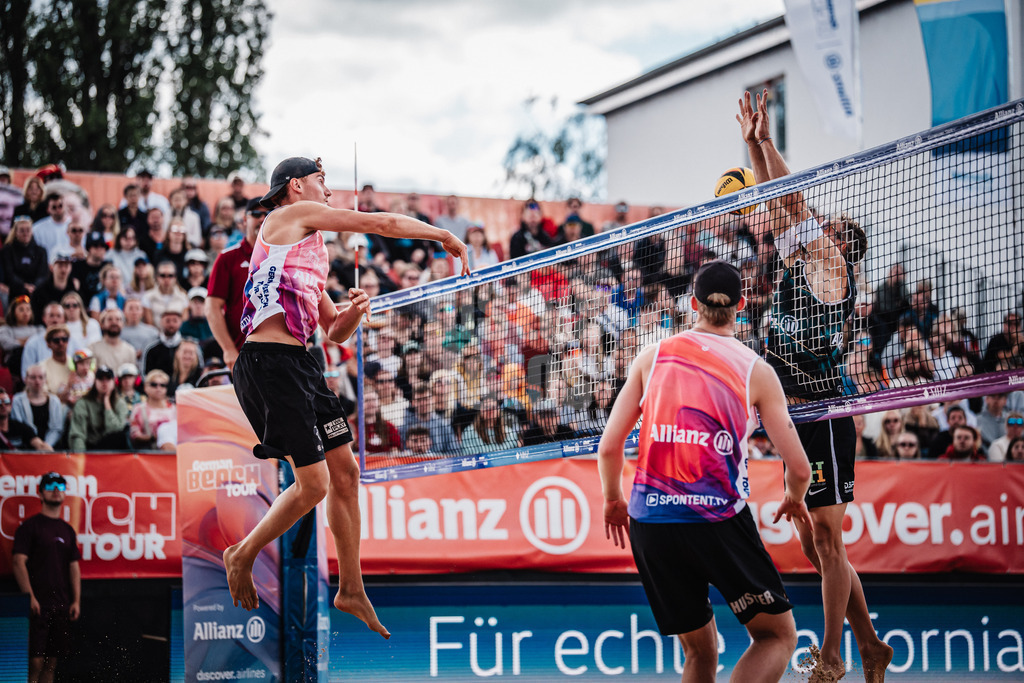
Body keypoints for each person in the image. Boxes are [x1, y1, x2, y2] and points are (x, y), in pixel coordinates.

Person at [223, 156, 468, 639]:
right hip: (267, 365)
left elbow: (334, 331)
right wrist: (441, 236)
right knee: (311, 485)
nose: (329, 191)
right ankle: (242, 553)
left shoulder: (310, 248)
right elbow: (377, 221)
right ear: (295, 187)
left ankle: (351, 588)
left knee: (347, 473)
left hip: (302, 364)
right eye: (321, 181)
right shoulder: (285, 216)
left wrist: (358, 310)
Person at [598, 260, 813, 683]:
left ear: (692, 303)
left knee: (700, 652)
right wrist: (795, 495)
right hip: (717, 518)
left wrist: (612, 500)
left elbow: (609, 448)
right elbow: (801, 468)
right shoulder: (757, 370)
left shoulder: (652, 355)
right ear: (742, 306)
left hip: (650, 519)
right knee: (777, 637)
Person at [738, 90, 892, 681]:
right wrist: (753, 142)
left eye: (826, 229)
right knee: (813, 542)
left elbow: (793, 203)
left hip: (824, 413)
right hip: (791, 416)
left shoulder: (831, 269)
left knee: (827, 539)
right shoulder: (802, 263)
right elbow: (776, 202)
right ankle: (872, 643)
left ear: (841, 247)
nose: (813, 227)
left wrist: (768, 139)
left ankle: (833, 658)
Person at [11, 472, 81, 683]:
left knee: (51, 663)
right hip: (37, 606)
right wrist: (29, 597)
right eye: (50, 485)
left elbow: (74, 567)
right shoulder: (29, 527)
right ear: (40, 493)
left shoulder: (67, 530)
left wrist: (76, 600)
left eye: (60, 485)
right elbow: (17, 562)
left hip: (60, 605)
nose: (56, 489)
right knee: (35, 663)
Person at [206, 198, 265, 368]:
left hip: (278, 353)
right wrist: (228, 349)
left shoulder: (283, 257)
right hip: (242, 353)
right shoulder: (228, 258)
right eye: (256, 214)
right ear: (244, 220)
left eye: (267, 214)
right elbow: (212, 308)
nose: (262, 219)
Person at [68, 365, 130, 451]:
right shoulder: (83, 403)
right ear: (95, 381)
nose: (104, 382)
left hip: (113, 450)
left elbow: (115, 430)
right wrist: (81, 457)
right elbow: (78, 434)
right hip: (90, 448)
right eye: (101, 379)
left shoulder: (120, 403)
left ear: (113, 381)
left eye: (108, 379)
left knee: (119, 436)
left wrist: (107, 403)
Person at [13, 364, 67, 449]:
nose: (37, 381)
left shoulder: (54, 401)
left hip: (50, 448)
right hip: (26, 447)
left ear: (45, 380)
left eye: (40, 377)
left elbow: (57, 428)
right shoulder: (17, 400)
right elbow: (18, 425)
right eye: (33, 377)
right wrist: (36, 443)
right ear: (26, 379)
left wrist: (46, 445)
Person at [3, 216, 50, 298]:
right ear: (15, 232)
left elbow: (43, 274)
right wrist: (24, 286)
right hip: (14, 290)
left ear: (32, 232)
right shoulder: (7, 251)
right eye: (22, 231)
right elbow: (9, 273)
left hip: (36, 290)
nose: (25, 233)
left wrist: (33, 286)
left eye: (28, 230)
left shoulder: (41, 251)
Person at [128, 369, 175, 449]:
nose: (158, 388)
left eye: (162, 385)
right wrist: (154, 437)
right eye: (154, 384)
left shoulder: (174, 409)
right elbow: (135, 435)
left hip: (171, 453)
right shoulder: (139, 409)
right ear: (145, 387)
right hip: (149, 453)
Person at [0, 386, 52, 450]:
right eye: (0, 402)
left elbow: (40, 445)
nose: (3, 405)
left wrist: (52, 454)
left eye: (6, 401)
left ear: (10, 405)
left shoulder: (19, 427)